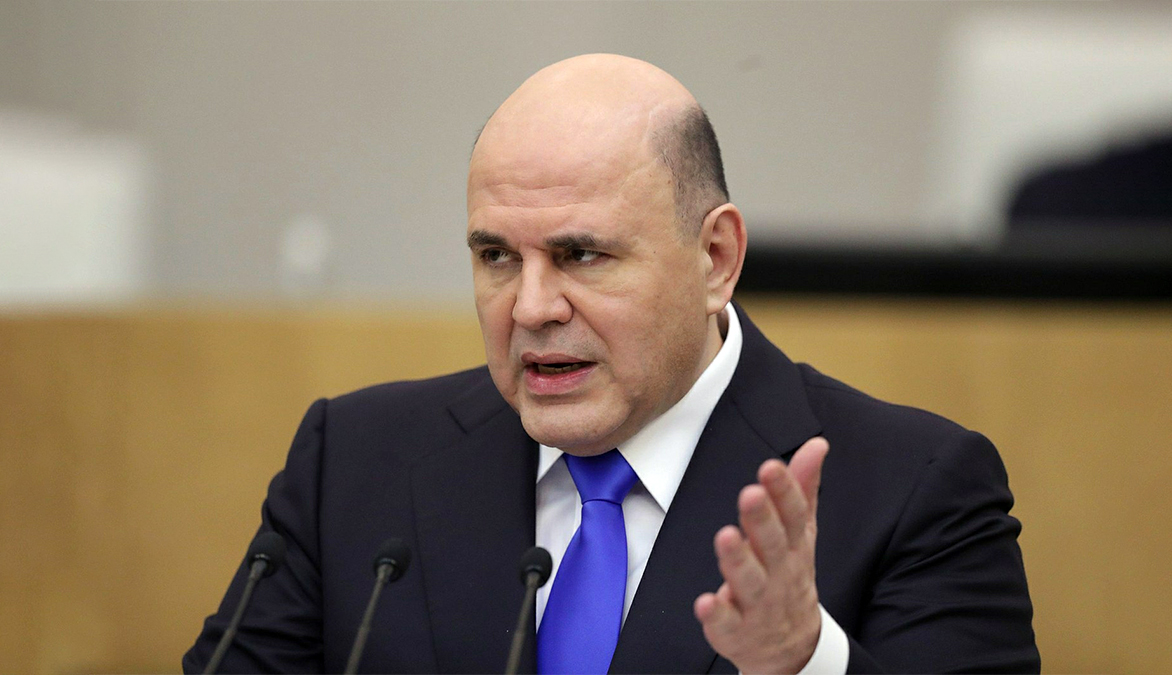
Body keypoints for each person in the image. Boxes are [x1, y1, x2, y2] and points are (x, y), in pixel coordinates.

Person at [184, 54, 1038, 674]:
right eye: (496, 256)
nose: (530, 307)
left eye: (581, 255)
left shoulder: (913, 489)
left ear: (715, 258)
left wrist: (802, 659)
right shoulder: (354, 462)